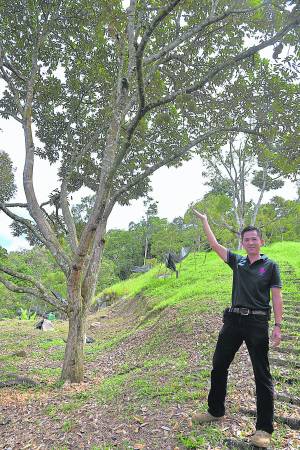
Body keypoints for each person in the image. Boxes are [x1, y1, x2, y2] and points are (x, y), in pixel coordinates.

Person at [192, 209, 283, 449]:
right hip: (233, 321)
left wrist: (278, 325)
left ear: (261, 242)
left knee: (262, 375)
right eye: (247, 239)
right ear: (242, 243)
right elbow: (214, 244)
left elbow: (276, 296)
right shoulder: (238, 261)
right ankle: (215, 411)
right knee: (219, 365)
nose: (251, 242)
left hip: (257, 323)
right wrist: (205, 221)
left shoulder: (270, 266)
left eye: (255, 239)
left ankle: (264, 429)